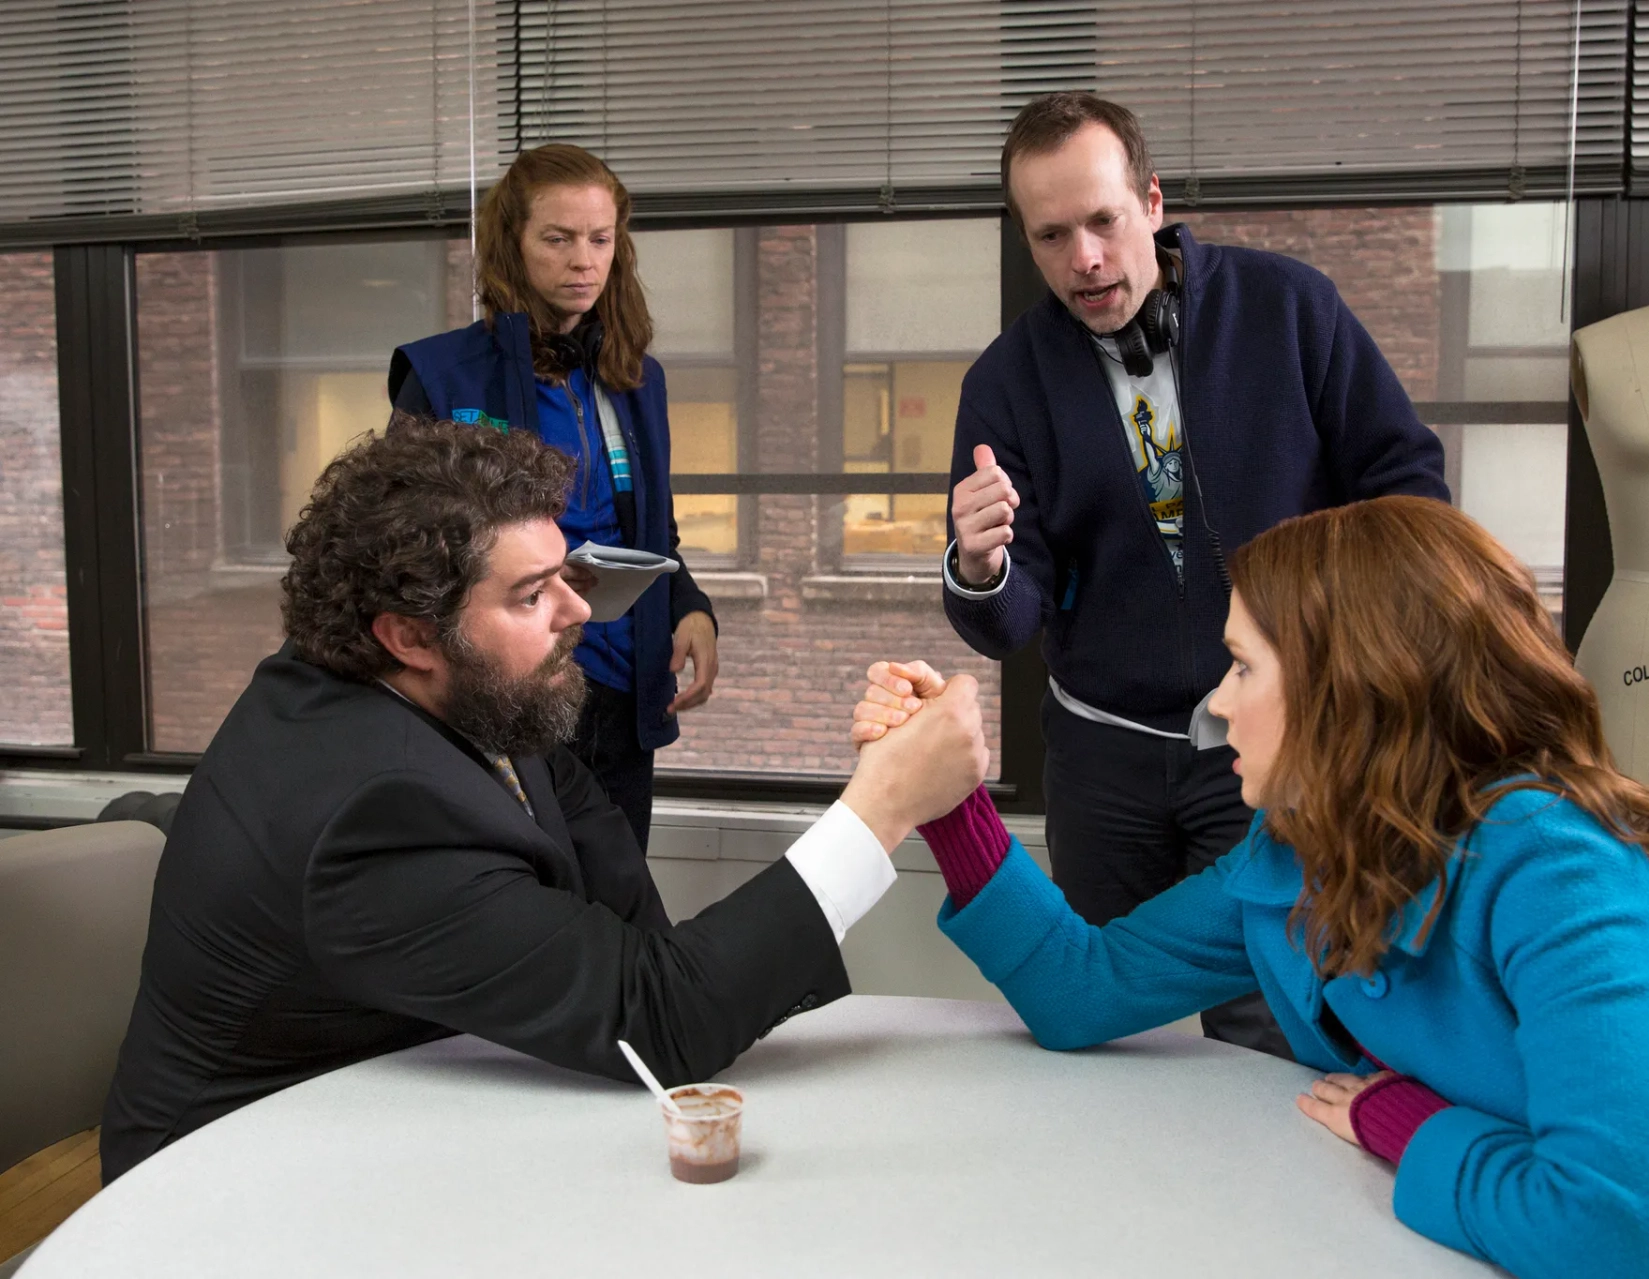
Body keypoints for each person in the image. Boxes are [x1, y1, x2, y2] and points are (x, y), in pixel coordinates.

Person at [855, 496, 1649, 1278]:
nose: (1216, 705)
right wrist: (946, 802)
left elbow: (1628, 1240)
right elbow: (1079, 986)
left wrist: (1403, 1122)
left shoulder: (1559, 871)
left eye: (1242, 666)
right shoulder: (1292, 857)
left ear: (1346, 692)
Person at [100, 418, 988, 1183]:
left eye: (567, 574)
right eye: (532, 593)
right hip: (228, 1188)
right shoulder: (376, 811)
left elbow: (642, 951)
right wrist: (882, 807)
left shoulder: (478, 694)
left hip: (385, 1121)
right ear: (409, 634)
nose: (578, 610)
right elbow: (661, 1020)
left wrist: (682, 986)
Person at [942, 92, 1448, 1057]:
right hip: (1102, 762)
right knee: (1099, 1029)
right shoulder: (1003, 382)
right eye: (1051, 237)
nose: (1084, 259)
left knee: (1274, 1025)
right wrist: (980, 562)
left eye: (1103, 221)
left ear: (1154, 201)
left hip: (1270, 741)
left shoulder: (1292, 309)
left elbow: (1408, 488)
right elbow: (1010, 621)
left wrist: (1339, 645)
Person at [390, 142, 711, 855]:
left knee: (619, 899)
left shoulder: (636, 378)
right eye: (558, 239)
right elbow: (399, 548)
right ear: (514, 244)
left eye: (600, 239)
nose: (583, 260)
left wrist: (689, 604)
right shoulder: (442, 376)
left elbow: (656, 530)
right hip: (510, 690)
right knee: (525, 901)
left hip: (624, 689)